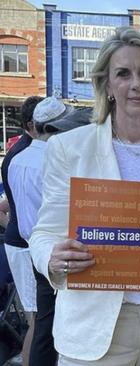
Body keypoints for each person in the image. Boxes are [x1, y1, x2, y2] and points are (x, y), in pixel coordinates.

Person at [29, 27, 140, 365]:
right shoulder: (69, 148)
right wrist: (52, 257)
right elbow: (43, 234)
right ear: (107, 85)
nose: (137, 83)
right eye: (124, 73)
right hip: (95, 325)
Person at [12, 100, 92, 366]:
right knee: (51, 327)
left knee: (39, 322)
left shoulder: (17, 159)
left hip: (28, 249)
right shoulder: (56, 159)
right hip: (57, 253)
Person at [1, 95, 43, 366]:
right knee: (36, 319)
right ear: (32, 124)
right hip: (26, 246)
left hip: (25, 244)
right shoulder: (26, 156)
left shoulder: (22, 153)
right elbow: (26, 214)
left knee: (39, 317)